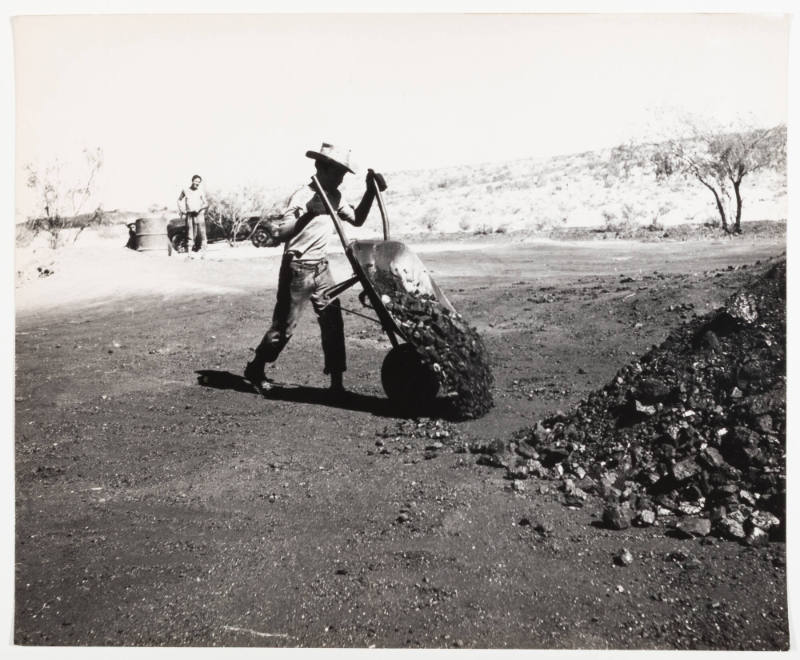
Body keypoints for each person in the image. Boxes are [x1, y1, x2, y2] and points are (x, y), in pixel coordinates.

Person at [244, 142, 381, 396]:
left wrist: (370, 192)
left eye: (343, 173)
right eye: (337, 172)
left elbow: (358, 219)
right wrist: (308, 211)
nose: (340, 178)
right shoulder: (302, 196)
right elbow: (282, 232)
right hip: (298, 268)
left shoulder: (336, 196)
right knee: (284, 327)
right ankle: (256, 368)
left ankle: (337, 385)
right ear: (321, 167)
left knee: (332, 321)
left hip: (321, 266)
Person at [177, 174, 209, 256]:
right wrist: (182, 210)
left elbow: (206, 203)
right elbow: (179, 200)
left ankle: (204, 255)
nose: (197, 183)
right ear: (192, 181)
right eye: (196, 181)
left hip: (199, 215)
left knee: (202, 234)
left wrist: (200, 209)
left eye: (199, 182)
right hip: (189, 215)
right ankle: (189, 255)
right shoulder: (185, 190)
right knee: (190, 234)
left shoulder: (200, 191)